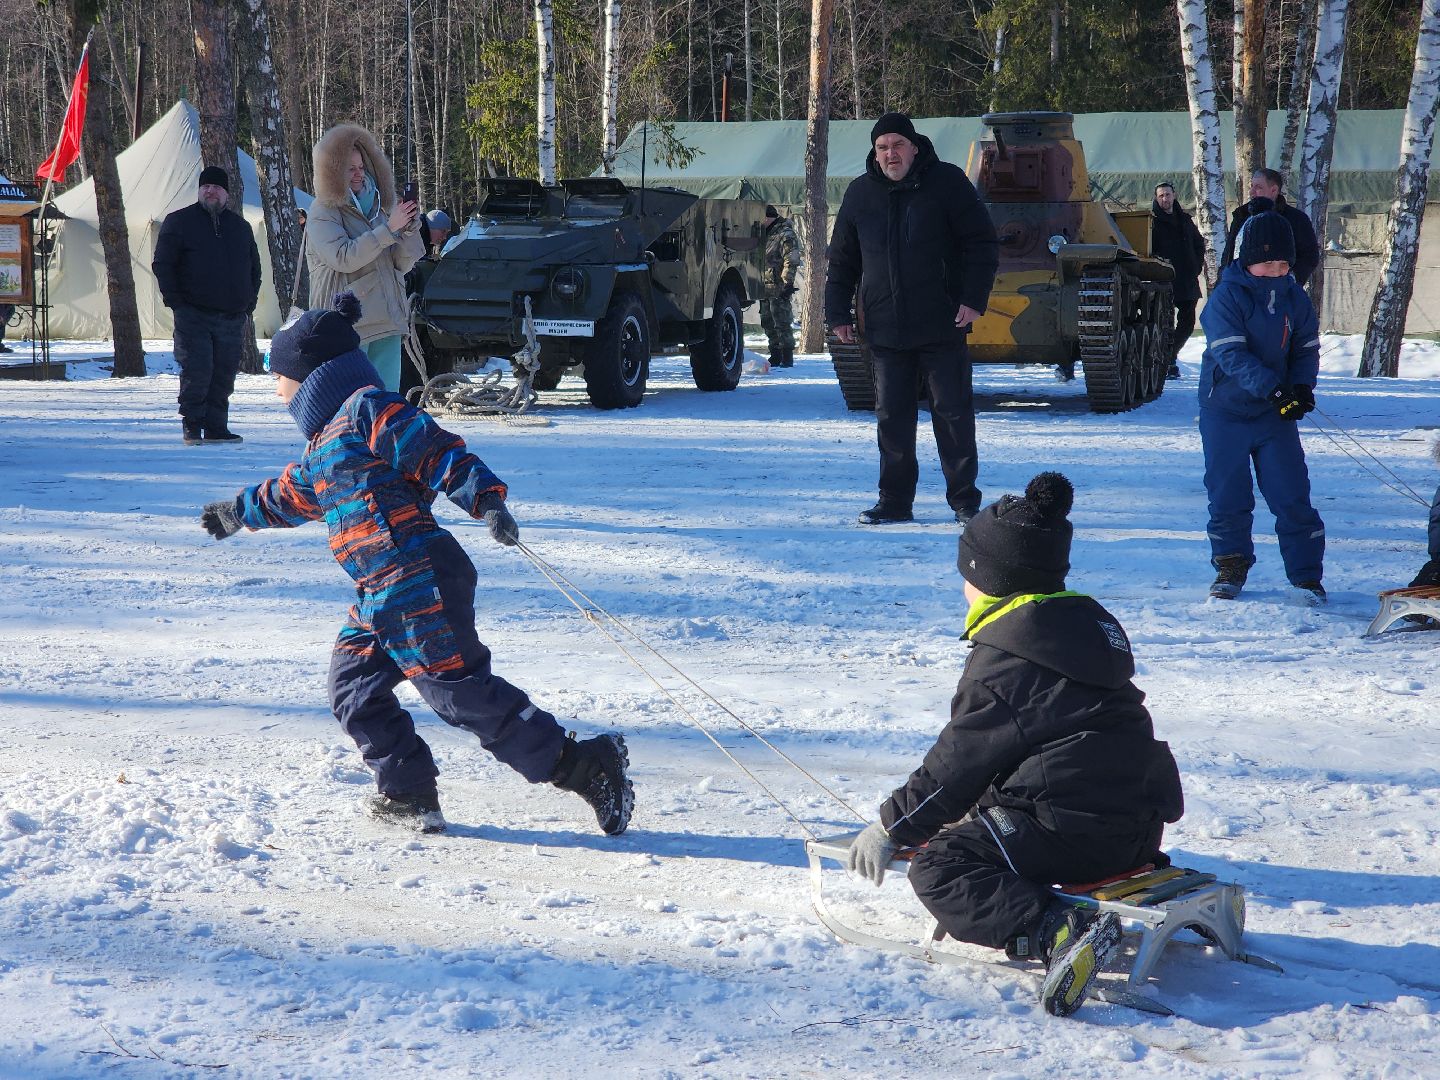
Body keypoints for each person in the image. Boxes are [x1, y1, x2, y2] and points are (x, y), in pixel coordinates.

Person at [199, 292, 634, 837]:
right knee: (354, 691)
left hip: (421, 578)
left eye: (279, 375)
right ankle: (407, 794)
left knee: (458, 692)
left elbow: (435, 449)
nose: (276, 388)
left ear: (310, 375)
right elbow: (288, 495)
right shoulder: (321, 451)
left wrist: (485, 499)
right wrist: (237, 512)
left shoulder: (366, 411)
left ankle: (586, 766)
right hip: (379, 595)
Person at [845, 472, 1184, 1017]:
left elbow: (957, 765)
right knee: (987, 818)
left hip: (1072, 833)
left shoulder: (1009, 661)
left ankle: (1058, 930)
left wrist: (892, 827)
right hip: (1137, 831)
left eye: (967, 575)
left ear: (990, 579)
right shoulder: (1073, 633)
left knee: (941, 865)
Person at [825, 112, 999, 528]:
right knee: (892, 420)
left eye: (898, 145)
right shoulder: (860, 193)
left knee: (953, 416)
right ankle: (894, 502)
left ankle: (964, 502)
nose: (891, 154)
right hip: (885, 328)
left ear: (914, 147)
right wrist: (837, 313)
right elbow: (842, 260)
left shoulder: (947, 182)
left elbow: (981, 243)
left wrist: (973, 299)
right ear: (875, 153)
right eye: (882, 147)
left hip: (942, 322)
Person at [1199, 211, 1326, 602]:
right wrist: (1274, 390)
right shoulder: (1226, 297)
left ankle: (1306, 576)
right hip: (1227, 413)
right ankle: (1231, 565)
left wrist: (1301, 387)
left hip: (1273, 417)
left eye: (1283, 264)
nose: (1276, 271)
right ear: (1248, 259)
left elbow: (1305, 347)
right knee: (1228, 494)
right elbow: (1231, 355)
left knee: (1291, 493)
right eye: (1268, 263)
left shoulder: (1294, 297)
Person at [305, 123, 424, 394]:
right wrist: (389, 229)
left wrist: (408, 230)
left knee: (386, 403)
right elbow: (342, 257)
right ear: (334, 171)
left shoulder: (379, 207)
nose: (359, 174)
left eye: (361, 167)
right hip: (347, 324)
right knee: (350, 402)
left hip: (387, 320)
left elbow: (400, 265)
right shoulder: (322, 211)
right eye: (351, 169)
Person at [152, 165, 261, 445]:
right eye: (206, 186)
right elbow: (163, 264)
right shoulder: (179, 222)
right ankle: (192, 426)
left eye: (217, 187)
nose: (210, 191)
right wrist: (176, 302)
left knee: (224, 374)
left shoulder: (240, 227)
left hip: (232, 316)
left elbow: (254, 268)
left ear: (227, 193)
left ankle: (216, 427)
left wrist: (248, 302)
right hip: (193, 314)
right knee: (197, 371)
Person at [1221, 168, 1319, 289]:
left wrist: (1289, 282)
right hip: (1236, 287)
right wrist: (1222, 280)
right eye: (1251, 186)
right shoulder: (1241, 215)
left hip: (1275, 289)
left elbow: (1309, 256)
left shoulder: (1295, 219)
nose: (1252, 192)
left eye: (1258, 187)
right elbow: (1229, 253)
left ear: (1274, 190)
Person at [1150, 182, 1206, 379]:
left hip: (1186, 278)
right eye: (1161, 196)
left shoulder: (1184, 219)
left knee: (1188, 322)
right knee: (1164, 322)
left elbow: (1199, 243)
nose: (1165, 199)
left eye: (1167, 194)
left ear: (1174, 195)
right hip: (1163, 279)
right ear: (1156, 198)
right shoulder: (1152, 221)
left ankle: (1171, 355)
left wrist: (1196, 265)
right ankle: (1166, 361)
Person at [759, 205, 801, 368]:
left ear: (767, 217)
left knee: (781, 322)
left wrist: (787, 282)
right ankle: (775, 353)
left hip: (779, 286)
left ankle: (786, 356)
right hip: (764, 285)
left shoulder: (785, 233)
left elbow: (791, 259)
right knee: (767, 321)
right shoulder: (765, 233)